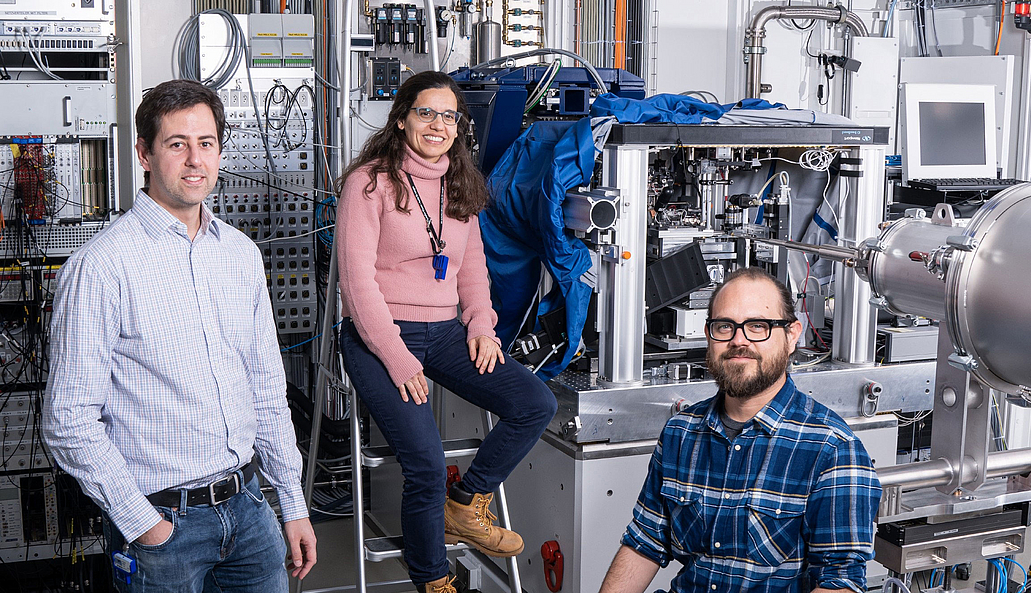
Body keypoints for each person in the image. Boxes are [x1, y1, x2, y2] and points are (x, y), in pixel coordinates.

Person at [43, 79, 316, 592]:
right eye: (177, 144)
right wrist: (143, 524)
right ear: (145, 154)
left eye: (206, 144)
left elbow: (265, 391)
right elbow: (68, 419)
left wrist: (292, 503)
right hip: (163, 526)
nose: (195, 160)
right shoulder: (101, 267)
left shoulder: (240, 254)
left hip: (250, 512)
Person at [336, 70, 557, 593]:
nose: (438, 124)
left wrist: (482, 325)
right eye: (425, 112)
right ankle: (434, 580)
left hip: (444, 333)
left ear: (460, 127)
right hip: (378, 337)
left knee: (535, 403)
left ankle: (466, 506)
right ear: (401, 118)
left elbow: (473, 267)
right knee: (428, 466)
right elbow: (357, 283)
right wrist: (396, 356)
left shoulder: (460, 183)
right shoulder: (370, 182)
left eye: (449, 116)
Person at [599, 267, 881, 593]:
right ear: (709, 336)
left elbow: (840, 581)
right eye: (724, 326)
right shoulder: (681, 433)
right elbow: (645, 541)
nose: (738, 340)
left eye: (758, 326)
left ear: (792, 336)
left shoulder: (831, 448)